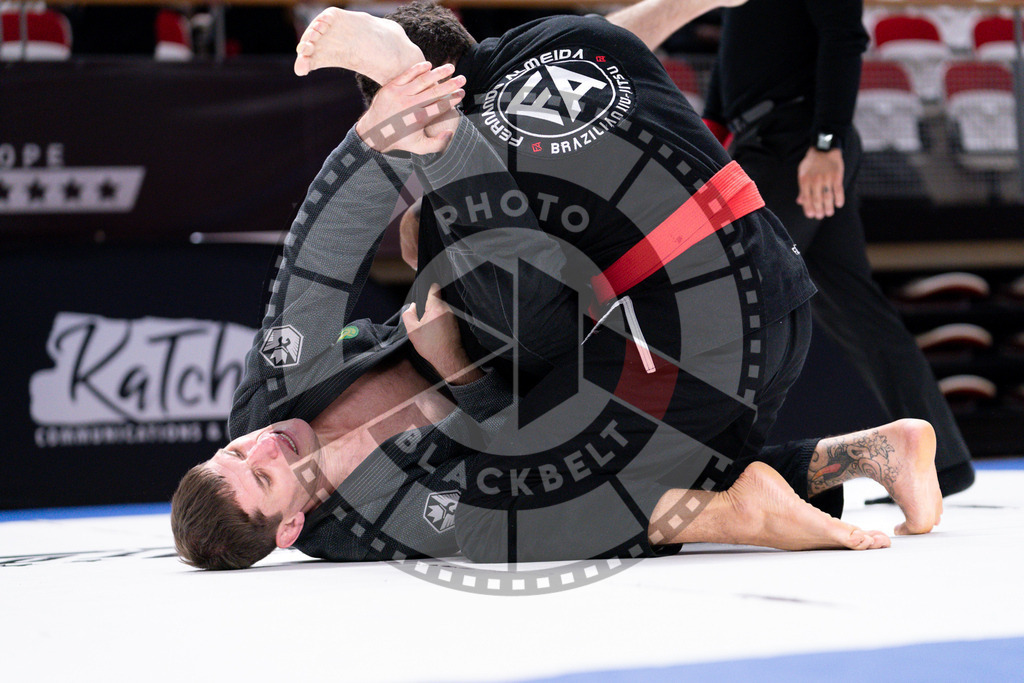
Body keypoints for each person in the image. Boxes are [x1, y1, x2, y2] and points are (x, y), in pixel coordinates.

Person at [171, 2, 941, 569]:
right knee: (556, 480)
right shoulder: (354, 525)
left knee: (529, 494)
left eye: (240, 446)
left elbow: (319, 257)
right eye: (265, 471)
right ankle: (863, 454)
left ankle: (743, 508)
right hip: (762, 290)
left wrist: (380, 147)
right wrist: (445, 364)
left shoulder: (274, 392)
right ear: (289, 529)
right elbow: (518, 453)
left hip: (677, 325)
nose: (265, 440)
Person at [690, 0, 974, 497]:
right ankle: (942, 462)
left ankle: (702, 468)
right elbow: (734, 60)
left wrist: (827, 142)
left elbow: (845, 38)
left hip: (797, 143)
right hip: (770, 138)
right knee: (856, 310)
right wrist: (712, 140)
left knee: (733, 295)